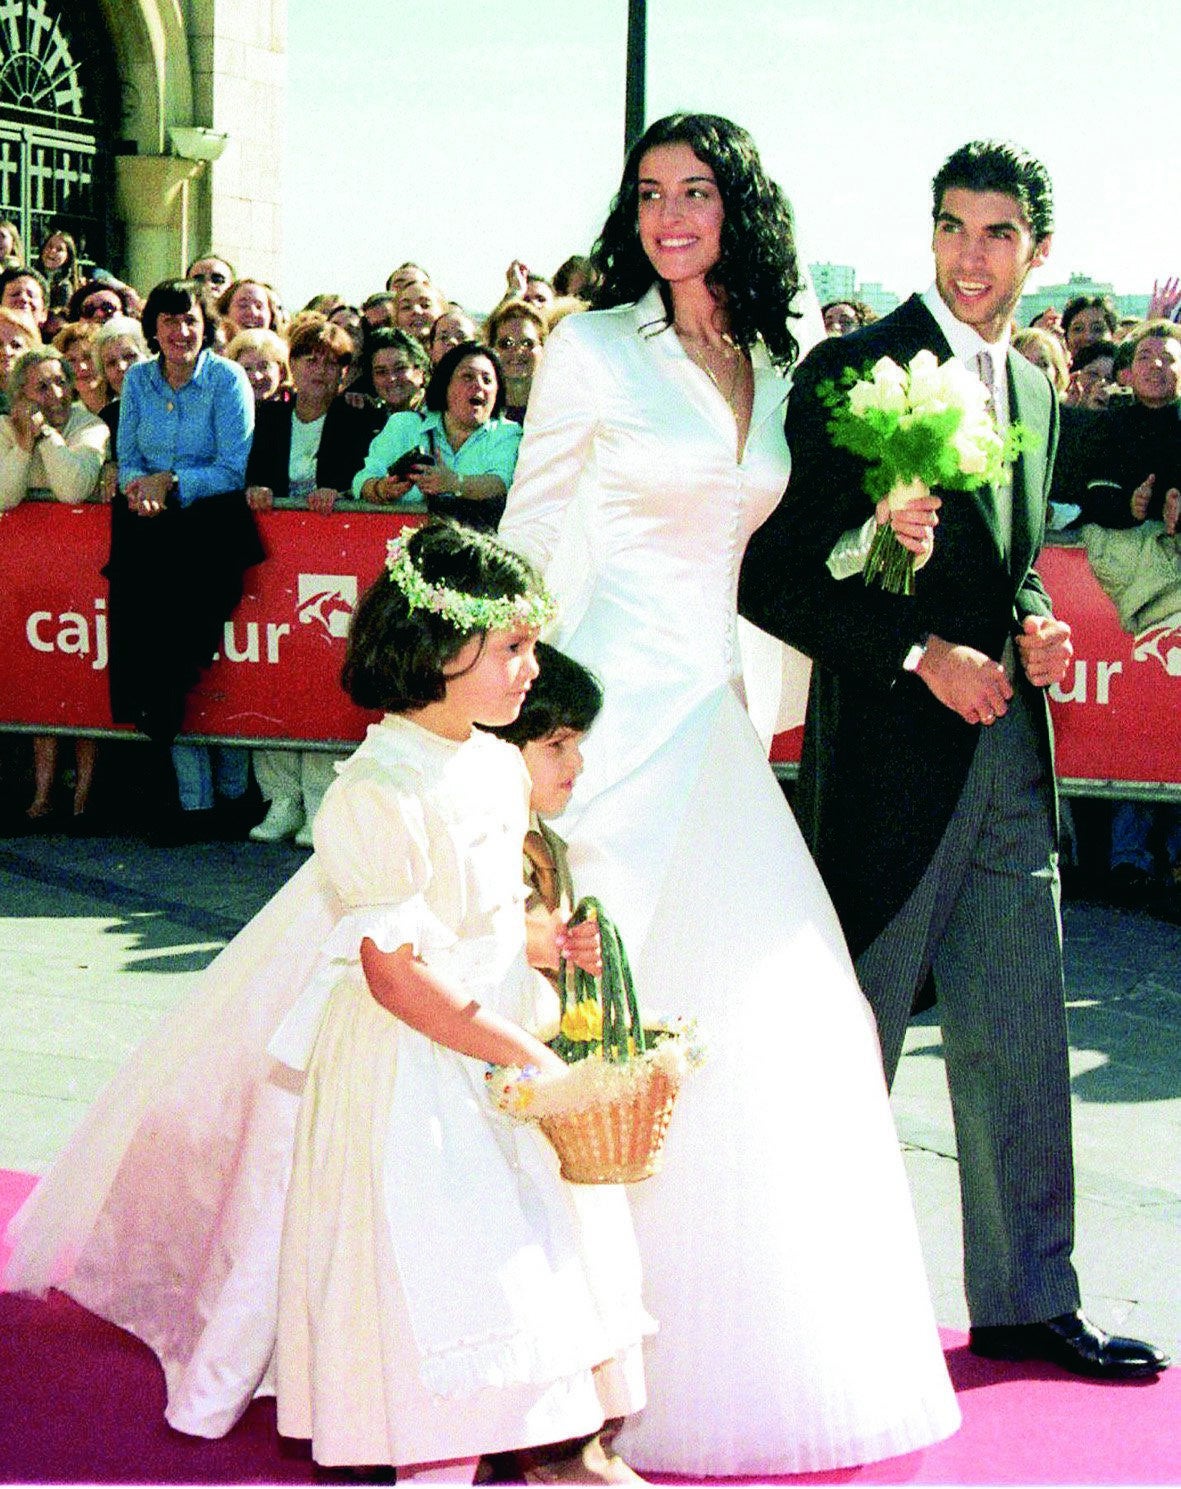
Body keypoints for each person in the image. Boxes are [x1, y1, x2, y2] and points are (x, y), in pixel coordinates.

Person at [499, 111, 960, 1478]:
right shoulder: (593, 346)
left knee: (765, 1029)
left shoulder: (772, 358)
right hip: (599, 720)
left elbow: (773, 553)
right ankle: (522, 1365)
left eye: (694, 192)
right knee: (565, 1025)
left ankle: (691, 1353)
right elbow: (534, 520)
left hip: (714, 719)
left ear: (737, 210)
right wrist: (505, 706)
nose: (668, 215)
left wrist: (878, 529)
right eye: (648, 193)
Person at [5, 522, 653, 1487]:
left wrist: (543, 946)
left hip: (484, 1046)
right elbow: (396, 973)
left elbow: (474, 914)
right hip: (409, 1070)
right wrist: (520, 1049)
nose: (531, 667)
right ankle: (415, 1448)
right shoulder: (377, 790)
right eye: (513, 647)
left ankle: (533, 1443)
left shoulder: (491, 765)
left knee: (515, 1252)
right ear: (440, 648)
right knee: (426, 1259)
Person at [738, 139, 1169, 1384]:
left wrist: (1032, 625)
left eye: (995, 234)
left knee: (1020, 1040)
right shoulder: (850, 369)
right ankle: (798, 1319)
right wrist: (917, 652)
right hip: (887, 767)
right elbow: (771, 576)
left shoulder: (1033, 387)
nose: (968, 257)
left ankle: (1027, 1300)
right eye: (950, 227)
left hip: (1009, 761)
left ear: (1036, 249)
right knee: (849, 1049)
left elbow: (1010, 560)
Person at [109, 277, 261, 840]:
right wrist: (140, 487)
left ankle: (229, 800)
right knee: (150, 669)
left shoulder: (228, 378)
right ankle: (191, 804)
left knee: (197, 668)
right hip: (146, 534)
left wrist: (169, 481)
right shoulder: (138, 380)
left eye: (191, 319)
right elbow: (127, 458)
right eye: (169, 320)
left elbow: (231, 469)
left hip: (209, 536)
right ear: (153, 327)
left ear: (206, 325)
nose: (181, 331)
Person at [0, 347, 110, 823]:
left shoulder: (91, 426)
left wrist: (45, 434)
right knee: (42, 679)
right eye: (42, 387)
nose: (57, 394)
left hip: (84, 571)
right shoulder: (5, 430)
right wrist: (24, 444)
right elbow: (4, 495)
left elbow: (72, 489)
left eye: (61, 382)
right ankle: (42, 794)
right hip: (31, 575)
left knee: (83, 678)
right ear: (21, 396)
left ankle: (84, 796)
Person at [354, 341, 521, 531]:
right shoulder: (404, 425)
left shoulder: (508, 433)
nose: (478, 385)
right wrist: (382, 489)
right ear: (445, 385)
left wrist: (454, 483)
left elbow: (501, 483)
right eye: (467, 376)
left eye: (487, 380)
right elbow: (363, 480)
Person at [486, 298, 548, 423]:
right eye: (506, 343)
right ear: (491, 349)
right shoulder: (479, 411)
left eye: (527, 343)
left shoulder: (558, 411)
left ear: (543, 349)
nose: (517, 351)